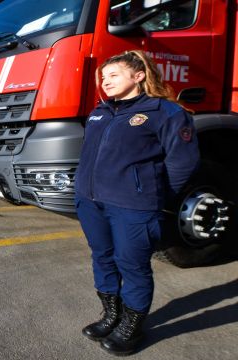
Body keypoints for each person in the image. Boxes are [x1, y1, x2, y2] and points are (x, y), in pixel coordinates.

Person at [74, 50, 200, 356]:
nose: (106, 82)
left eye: (113, 75)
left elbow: (183, 163)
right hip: (91, 202)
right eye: (103, 77)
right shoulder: (99, 112)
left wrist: (153, 195)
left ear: (138, 76)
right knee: (102, 257)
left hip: (133, 206)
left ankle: (131, 327)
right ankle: (111, 315)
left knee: (132, 266)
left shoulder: (166, 112)